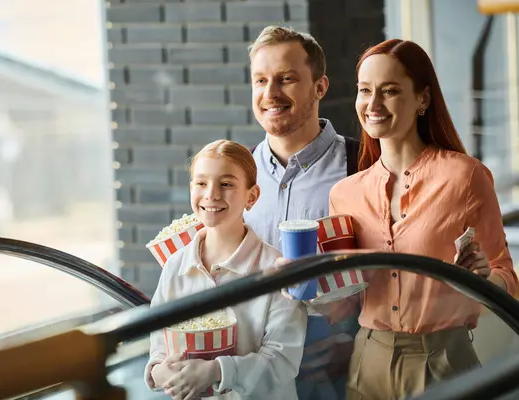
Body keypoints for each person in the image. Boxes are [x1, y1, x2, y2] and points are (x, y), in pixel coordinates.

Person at [328, 38, 518, 399]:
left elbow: (506, 275)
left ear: (423, 99)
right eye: (364, 90)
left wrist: (482, 278)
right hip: (368, 359)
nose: (373, 104)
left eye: (390, 91)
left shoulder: (465, 176)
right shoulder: (344, 194)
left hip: (443, 360)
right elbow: (346, 297)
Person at [243, 25, 360, 399]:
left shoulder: (362, 165)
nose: (270, 93)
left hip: (338, 367)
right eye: (260, 80)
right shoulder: (234, 174)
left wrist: (358, 343)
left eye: (286, 79)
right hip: (252, 367)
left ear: (320, 87)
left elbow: (395, 271)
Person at [145, 139, 307, 400]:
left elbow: (282, 361)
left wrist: (215, 371)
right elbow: (159, 345)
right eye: (201, 183)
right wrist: (159, 371)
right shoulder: (175, 266)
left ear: (251, 196)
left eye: (226, 184)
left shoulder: (275, 269)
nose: (211, 194)